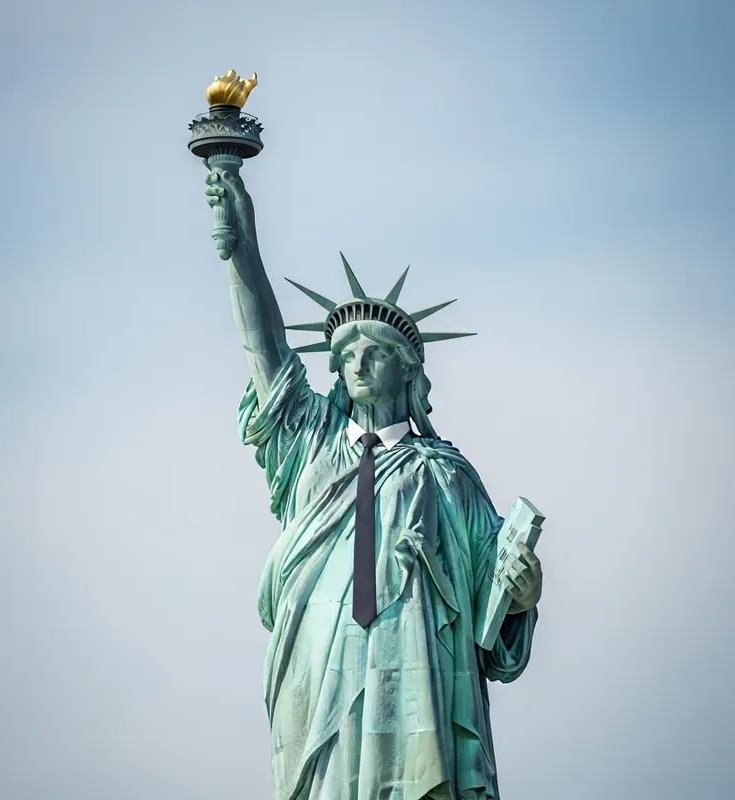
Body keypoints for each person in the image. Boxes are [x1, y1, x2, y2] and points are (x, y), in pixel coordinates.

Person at [204, 168, 543, 800]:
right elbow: (265, 351)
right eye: (345, 353)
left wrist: (525, 592)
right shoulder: (312, 445)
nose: (357, 362)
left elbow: (493, 610)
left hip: (418, 678)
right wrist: (241, 247)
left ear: (409, 373)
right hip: (320, 671)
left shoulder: (445, 477)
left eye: (375, 351)